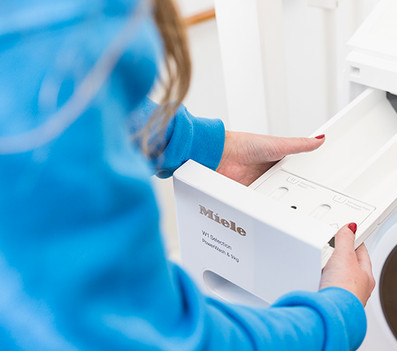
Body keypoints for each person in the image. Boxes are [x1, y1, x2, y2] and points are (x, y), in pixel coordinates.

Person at [0, 0, 375, 350]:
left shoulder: (45, 59)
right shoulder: (47, 82)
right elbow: (171, 338)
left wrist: (208, 148)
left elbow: (96, 107)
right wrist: (336, 317)